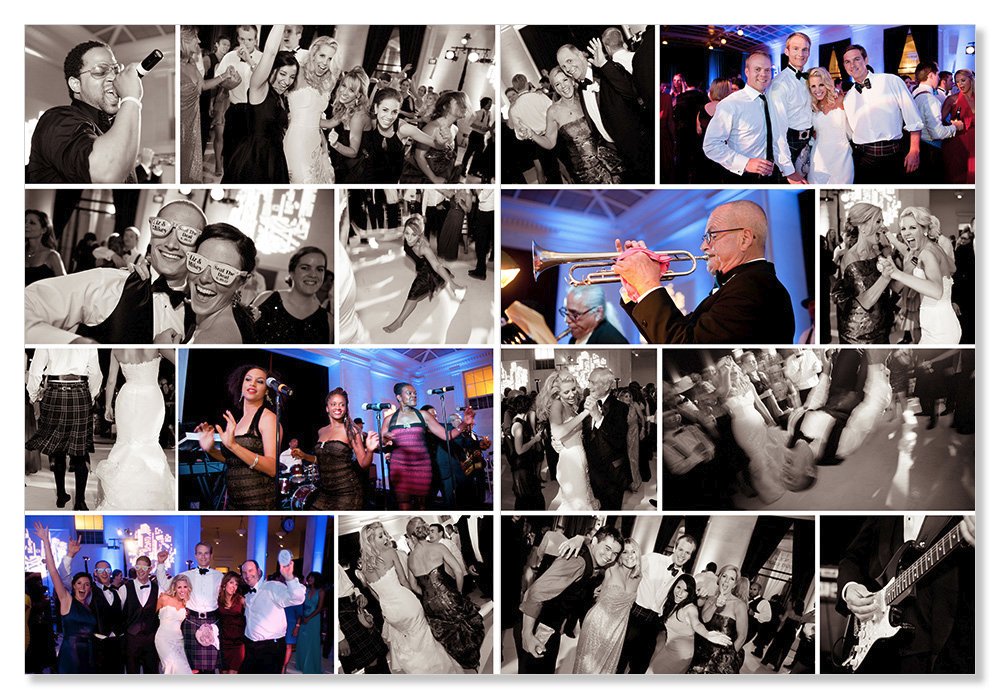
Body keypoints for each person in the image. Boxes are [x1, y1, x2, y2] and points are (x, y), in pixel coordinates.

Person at [24, 200, 207, 344]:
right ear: (152, 235)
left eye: (187, 235)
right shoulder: (108, 282)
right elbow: (26, 303)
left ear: (200, 248)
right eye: (162, 227)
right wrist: (75, 344)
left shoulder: (198, 314)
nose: (171, 244)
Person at [614, 200, 795, 344]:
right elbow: (676, 333)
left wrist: (648, 283)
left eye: (712, 236)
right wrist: (635, 288)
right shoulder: (742, 284)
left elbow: (683, 343)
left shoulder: (754, 289)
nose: (703, 246)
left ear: (745, 239)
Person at [837, 515, 974, 673]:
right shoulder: (884, 509)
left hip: (944, 643)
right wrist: (849, 587)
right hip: (879, 648)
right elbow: (852, 558)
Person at [27, 40, 143, 183]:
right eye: (101, 71)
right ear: (76, 84)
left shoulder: (113, 131)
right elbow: (105, 172)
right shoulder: (58, 119)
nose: (114, 78)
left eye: (116, 70)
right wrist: (131, 98)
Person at [516, 526, 624, 673]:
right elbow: (536, 592)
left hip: (547, 626)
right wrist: (527, 633)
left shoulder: (589, 558)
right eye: (607, 548)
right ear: (595, 541)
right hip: (537, 626)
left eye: (614, 553)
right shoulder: (579, 562)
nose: (609, 556)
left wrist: (581, 538)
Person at [358, 522, 461, 673]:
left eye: (384, 533)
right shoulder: (390, 552)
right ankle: (441, 672)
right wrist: (416, 599)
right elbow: (404, 581)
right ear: (371, 540)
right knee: (425, 639)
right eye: (381, 536)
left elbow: (376, 595)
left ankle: (419, 673)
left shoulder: (364, 568)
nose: (385, 537)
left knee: (410, 644)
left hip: (389, 611)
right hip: (406, 603)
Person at [556, 42, 652, 183]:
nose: (568, 69)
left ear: (580, 55)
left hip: (640, 152)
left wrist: (604, 64)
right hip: (619, 161)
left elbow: (632, 92)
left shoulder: (607, 72)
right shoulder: (581, 91)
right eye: (563, 66)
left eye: (569, 61)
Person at [703, 52, 805, 184]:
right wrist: (746, 163)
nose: (763, 74)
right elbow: (711, 145)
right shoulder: (731, 104)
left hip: (773, 175)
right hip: (743, 178)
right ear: (747, 71)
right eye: (757, 69)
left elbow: (777, 137)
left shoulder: (773, 99)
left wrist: (788, 171)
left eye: (767, 70)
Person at [94, 348, 175, 510]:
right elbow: (177, 359)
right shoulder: (156, 343)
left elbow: (111, 380)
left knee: (126, 442)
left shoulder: (117, 349)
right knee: (149, 443)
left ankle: (121, 491)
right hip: (151, 396)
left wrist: (107, 406)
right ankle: (151, 490)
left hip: (128, 396)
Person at [25, 347, 102, 510]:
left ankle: (61, 495)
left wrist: (34, 397)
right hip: (80, 391)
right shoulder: (86, 339)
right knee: (80, 451)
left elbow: (35, 371)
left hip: (54, 392)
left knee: (58, 449)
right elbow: (95, 373)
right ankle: (80, 502)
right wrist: (91, 395)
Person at [379, 381, 475, 509]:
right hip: (400, 467)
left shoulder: (423, 415)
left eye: (415, 393)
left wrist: (464, 423)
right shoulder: (389, 419)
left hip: (421, 466)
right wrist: (384, 439)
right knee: (403, 504)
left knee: (422, 505)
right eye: (409, 393)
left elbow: (446, 436)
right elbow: (381, 445)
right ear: (399, 397)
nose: (414, 396)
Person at [196, 365, 280, 509]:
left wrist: (233, 446)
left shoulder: (267, 418)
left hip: (259, 502)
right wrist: (210, 449)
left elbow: (272, 468)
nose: (252, 384)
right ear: (241, 385)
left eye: (259, 381)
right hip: (234, 504)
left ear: (266, 390)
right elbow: (234, 459)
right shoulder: (240, 421)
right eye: (248, 379)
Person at [406, 518, 485, 670]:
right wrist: (459, 592)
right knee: (468, 627)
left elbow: (413, 586)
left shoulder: (410, 558)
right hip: (449, 597)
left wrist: (428, 593)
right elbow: (458, 571)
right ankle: (473, 662)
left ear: (412, 536)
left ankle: (463, 664)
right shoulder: (438, 548)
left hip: (430, 605)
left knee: (448, 637)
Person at [223, 24, 298, 183]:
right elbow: (270, 53)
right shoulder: (259, 88)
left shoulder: (281, 97)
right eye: (283, 74)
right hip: (254, 158)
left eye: (292, 77)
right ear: (272, 70)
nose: (287, 81)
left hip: (275, 159)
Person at [522, 67, 623, 184]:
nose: (563, 86)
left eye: (565, 80)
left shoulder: (586, 98)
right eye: (557, 84)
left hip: (611, 161)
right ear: (554, 88)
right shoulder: (553, 111)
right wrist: (532, 135)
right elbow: (550, 143)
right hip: (585, 173)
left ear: (572, 80)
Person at [841, 44, 923, 184]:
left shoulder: (890, 81)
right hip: (862, 159)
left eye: (856, 59)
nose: (852, 65)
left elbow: (913, 117)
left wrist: (914, 150)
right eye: (847, 62)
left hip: (893, 156)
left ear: (866, 60)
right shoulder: (848, 98)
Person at [616, 535, 697, 673]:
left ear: (691, 556)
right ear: (675, 547)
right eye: (681, 549)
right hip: (635, 615)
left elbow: (688, 600)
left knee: (640, 667)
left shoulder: (682, 579)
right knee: (621, 660)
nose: (683, 555)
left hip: (654, 623)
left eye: (688, 553)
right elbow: (628, 566)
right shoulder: (653, 559)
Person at [296, 388, 379, 510]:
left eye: (342, 404)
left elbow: (363, 464)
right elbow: (323, 461)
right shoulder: (321, 431)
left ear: (346, 409)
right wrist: (304, 456)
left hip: (347, 492)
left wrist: (370, 451)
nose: (338, 407)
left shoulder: (352, 430)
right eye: (333, 404)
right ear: (327, 408)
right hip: (325, 491)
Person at [381, 214, 465, 335]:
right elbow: (386, 233)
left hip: (428, 271)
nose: (409, 238)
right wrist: (363, 233)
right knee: (429, 285)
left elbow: (436, 266)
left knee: (414, 293)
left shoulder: (424, 248)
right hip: (421, 268)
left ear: (419, 235)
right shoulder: (406, 237)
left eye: (413, 235)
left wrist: (452, 284)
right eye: (407, 233)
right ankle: (445, 275)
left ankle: (399, 321)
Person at [33, 523, 96, 673]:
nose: (83, 587)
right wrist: (46, 541)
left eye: (87, 584)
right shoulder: (67, 600)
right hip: (71, 654)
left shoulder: (89, 606)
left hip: (89, 654)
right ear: (73, 586)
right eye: (79, 583)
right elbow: (54, 571)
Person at [533, 370, 600, 511]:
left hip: (577, 458)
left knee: (581, 500)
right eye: (566, 392)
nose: (572, 394)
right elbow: (557, 432)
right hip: (570, 463)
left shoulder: (569, 406)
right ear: (557, 393)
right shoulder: (557, 404)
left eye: (573, 389)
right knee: (578, 504)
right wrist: (585, 413)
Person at [179, 27, 239, 183]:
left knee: (191, 158)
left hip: (194, 119)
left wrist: (224, 75)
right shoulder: (179, 66)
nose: (199, 41)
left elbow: (203, 85)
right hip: (181, 122)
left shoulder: (191, 63)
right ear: (184, 40)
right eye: (195, 37)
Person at [573, 538, 641, 673]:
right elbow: (595, 550)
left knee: (605, 670)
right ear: (619, 556)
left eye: (633, 551)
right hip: (598, 624)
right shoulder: (612, 567)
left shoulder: (639, 578)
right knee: (587, 668)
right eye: (625, 552)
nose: (630, 556)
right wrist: (579, 539)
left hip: (617, 630)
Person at [832, 203, 895, 344]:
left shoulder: (876, 252)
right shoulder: (851, 257)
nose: (883, 227)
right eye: (878, 221)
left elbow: (897, 287)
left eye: (882, 221)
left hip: (881, 328)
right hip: (859, 335)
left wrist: (908, 260)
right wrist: (885, 277)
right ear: (862, 226)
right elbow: (866, 301)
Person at [154, 544, 223, 673]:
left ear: (211, 555)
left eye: (206, 553)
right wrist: (161, 564)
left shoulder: (220, 576)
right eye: (200, 553)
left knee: (210, 669)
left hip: (212, 621)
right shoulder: (186, 575)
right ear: (195, 555)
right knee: (191, 668)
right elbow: (165, 584)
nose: (203, 556)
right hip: (192, 622)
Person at [361, 88, 453, 183]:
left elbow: (437, 144)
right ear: (376, 108)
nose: (389, 116)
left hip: (390, 180)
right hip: (369, 176)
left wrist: (443, 141)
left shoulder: (403, 129)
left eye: (394, 112)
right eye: (385, 110)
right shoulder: (373, 121)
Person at [186, 223, 259, 343]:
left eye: (222, 272)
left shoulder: (212, 340)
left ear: (242, 281)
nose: (204, 278)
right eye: (199, 262)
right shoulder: (230, 318)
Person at [651, 573, 733, 673]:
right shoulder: (673, 604)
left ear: (689, 593)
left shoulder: (690, 608)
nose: (680, 593)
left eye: (685, 590)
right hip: (669, 648)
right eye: (678, 587)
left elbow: (697, 624)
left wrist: (707, 634)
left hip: (680, 655)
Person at [283, 36, 338, 183]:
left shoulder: (329, 81)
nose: (325, 63)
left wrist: (325, 146)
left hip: (316, 142)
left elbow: (316, 120)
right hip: (296, 142)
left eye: (330, 59)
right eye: (322, 55)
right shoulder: (298, 73)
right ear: (313, 53)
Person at [239, 557, 306, 674]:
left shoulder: (272, 587)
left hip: (270, 647)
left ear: (259, 571)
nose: (247, 575)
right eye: (244, 572)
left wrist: (289, 577)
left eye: (250, 571)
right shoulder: (248, 595)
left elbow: (297, 598)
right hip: (251, 646)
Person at [253, 246, 332, 343]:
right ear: (292, 272)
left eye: (319, 269)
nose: (313, 275)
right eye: (305, 268)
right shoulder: (266, 300)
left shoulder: (328, 321)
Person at [584, 367, 630, 510]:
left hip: (613, 473)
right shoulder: (584, 404)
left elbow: (618, 440)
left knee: (612, 508)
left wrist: (598, 417)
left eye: (593, 382)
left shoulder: (621, 408)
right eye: (589, 381)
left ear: (607, 385)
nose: (589, 386)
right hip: (591, 470)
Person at [687, 564, 748, 674]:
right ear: (719, 579)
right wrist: (716, 604)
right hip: (701, 653)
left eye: (731, 579)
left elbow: (742, 636)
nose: (726, 581)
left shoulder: (739, 605)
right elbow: (705, 619)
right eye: (724, 576)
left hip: (723, 659)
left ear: (734, 585)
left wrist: (727, 659)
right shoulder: (710, 599)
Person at [399, 91, 470, 183]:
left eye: (464, 103)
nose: (464, 107)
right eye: (459, 103)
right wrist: (434, 178)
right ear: (445, 107)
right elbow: (419, 156)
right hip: (421, 175)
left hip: (441, 172)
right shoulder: (432, 128)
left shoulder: (455, 129)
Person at [911, 62, 963, 183]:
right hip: (930, 151)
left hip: (922, 147)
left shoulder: (914, 94)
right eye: (937, 74)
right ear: (930, 76)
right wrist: (955, 127)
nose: (939, 78)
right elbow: (938, 133)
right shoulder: (929, 99)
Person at [806, 68, 853, 184]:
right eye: (813, 86)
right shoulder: (812, 107)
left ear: (827, 84)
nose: (817, 90)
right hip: (818, 158)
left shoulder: (841, 100)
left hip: (842, 158)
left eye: (821, 85)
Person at [327, 66, 371, 183]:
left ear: (359, 95)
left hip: (355, 169)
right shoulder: (346, 107)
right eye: (343, 85)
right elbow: (329, 123)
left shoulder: (358, 116)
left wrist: (335, 144)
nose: (344, 92)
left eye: (351, 90)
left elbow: (353, 152)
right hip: (344, 163)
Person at [508, 393, 545, 510]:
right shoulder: (518, 424)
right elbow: (519, 450)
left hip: (526, 464)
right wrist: (535, 439)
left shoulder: (521, 422)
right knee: (527, 499)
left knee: (530, 498)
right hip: (521, 466)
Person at [941, 69, 975, 184]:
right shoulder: (952, 100)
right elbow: (939, 122)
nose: (960, 84)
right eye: (957, 82)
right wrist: (953, 125)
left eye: (963, 80)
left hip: (975, 142)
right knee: (957, 176)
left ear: (971, 80)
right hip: (958, 143)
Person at [155, 574, 193, 674]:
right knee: (171, 665)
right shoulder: (164, 598)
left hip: (178, 640)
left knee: (182, 668)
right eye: (179, 587)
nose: (182, 590)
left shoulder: (187, 603)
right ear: (174, 588)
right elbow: (153, 617)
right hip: (163, 639)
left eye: (185, 587)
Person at [25, 209, 66, 285]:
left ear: (44, 230)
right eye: (25, 222)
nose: (26, 225)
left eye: (32, 223)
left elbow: (64, 285)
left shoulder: (52, 255)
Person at [295, 572, 324, 673]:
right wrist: (302, 617)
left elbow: (320, 608)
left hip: (314, 618)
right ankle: (301, 664)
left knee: (312, 641)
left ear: (317, 579)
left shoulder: (321, 591)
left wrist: (309, 617)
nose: (310, 579)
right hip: (304, 616)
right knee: (302, 641)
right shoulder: (305, 590)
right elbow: (301, 604)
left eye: (312, 577)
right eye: (309, 577)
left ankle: (310, 666)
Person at [217, 571, 246, 673]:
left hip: (238, 643)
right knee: (224, 672)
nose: (234, 586)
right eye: (231, 583)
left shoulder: (241, 600)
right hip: (223, 642)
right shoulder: (217, 601)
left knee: (234, 672)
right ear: (225, 584)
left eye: (236, 584)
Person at [462, 97, 494, 178]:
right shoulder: (477, 113)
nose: (490, 105)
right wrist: (480, 128)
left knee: (478, 154)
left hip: (481, 136)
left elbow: (487, 124)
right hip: (475, 135)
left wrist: (488, 129)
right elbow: (470, 123)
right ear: (484, 103)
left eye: (490, 103)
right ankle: (462, 170)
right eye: (488, 103)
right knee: (469, 153)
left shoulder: (489, 114)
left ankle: (472, 171)